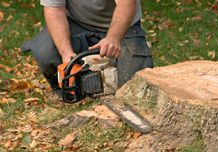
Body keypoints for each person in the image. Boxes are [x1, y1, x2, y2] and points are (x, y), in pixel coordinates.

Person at [21, 0, 153, 95]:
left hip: (123, 27)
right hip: (77, 24)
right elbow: (54, 10)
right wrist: (66, 52)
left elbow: (127, 4)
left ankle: (134, 52)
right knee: (45, 51)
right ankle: (64, 90)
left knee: (135, 86)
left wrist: (114, 38)